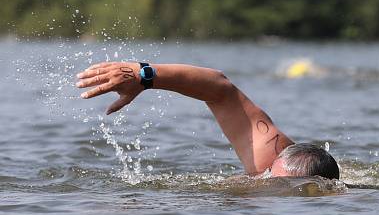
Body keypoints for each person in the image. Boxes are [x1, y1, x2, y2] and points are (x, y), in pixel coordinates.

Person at [76, 62, 339, 179]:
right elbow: (221, 88)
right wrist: (144, 75)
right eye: (270, 175)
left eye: (275, 182)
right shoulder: (270, 155)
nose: (265, 180)